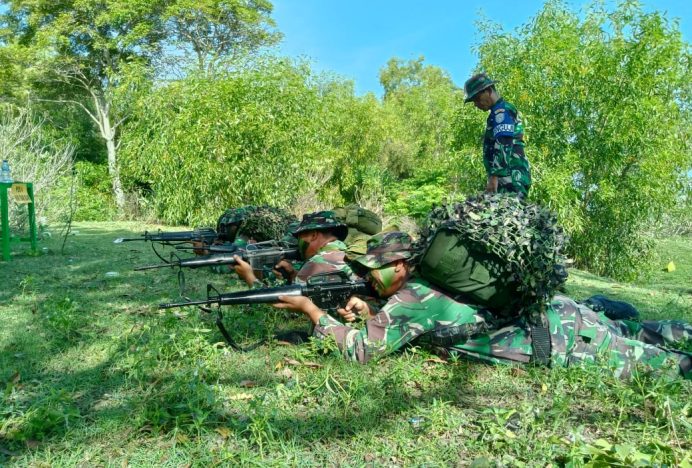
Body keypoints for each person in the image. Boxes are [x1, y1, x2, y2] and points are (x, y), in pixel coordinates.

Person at [274, 231, 691, 380]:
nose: (367, 277)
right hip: (559, 315)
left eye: (374, 269)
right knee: (649, 332)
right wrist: (368, 312)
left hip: (564, 340)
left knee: (669, 366)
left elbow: (359, 352)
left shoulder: (412, 297)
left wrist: (311, 312)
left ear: (400, 266)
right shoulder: (427, 284)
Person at [233, 210, 357, 287]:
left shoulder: (319, 262)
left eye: (300, 237)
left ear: (313, 235)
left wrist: (250, 277)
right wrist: (293, 274)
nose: (299, 243)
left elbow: (283, 302)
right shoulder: (344, 251)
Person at [464, 73, 532, 198]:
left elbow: (504, 141)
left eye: (477, 98)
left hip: (511, 176)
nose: (476, 104)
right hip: (507, 175)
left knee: (510, 213)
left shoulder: (502, 111)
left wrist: (495, 176)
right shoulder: (497, 112)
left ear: (488, 91)